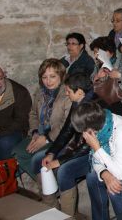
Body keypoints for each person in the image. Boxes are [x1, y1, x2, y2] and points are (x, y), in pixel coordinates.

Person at [39, 73, 94, 214]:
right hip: (78, 147)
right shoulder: (77, 102)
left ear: (80, 92)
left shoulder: (93, 107)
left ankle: (67, 216)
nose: (66, 93)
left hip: (93, 153)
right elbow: (66, 131)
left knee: (64, 170)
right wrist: (52, 153)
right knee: (40, 162)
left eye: (68, 91)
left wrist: (60, 160)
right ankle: (53, 211)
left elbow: (89, 145)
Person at [11, 59, 71, 180]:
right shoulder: (40, 92)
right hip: (40, 133)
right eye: (44, 77)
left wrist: (47, 139)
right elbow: (33, 113)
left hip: (59, 138)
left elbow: (66, 125)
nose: (48, 81)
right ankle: (46, 183)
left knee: (36, 159)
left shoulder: (68, 94)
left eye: (52, 76)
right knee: (17, 152)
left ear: (61, 76)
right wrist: (34, 132)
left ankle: (49, 188)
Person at [0, 66, 32, 160]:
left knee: (4, 144)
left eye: (1, 78)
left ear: (5, 76)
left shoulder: (19, 92)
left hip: (15, 131)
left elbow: (21, 121)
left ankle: (4, 172)